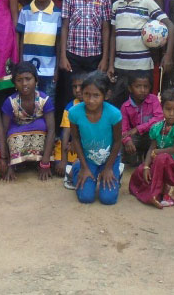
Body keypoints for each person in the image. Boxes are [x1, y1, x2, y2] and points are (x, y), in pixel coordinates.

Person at [107, 0, 174, 105]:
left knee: (142, 106)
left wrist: (167, 55)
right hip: (121, 66)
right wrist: (111, 64)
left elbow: (171, 26)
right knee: (119, 105)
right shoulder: (116, 6)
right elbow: (113, 35)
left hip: (142, 67)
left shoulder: (147, 4)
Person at [129, 88, 174, 208]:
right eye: (168, 109)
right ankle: (157, 189)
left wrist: (157, 152)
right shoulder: (158, 127)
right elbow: (151, 148)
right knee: (140, 171)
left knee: (162, 158)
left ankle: (154, 194)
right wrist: (146, 166)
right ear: (162, 108)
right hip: (163, 162)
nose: (171, 113)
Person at [58, 0, 112, 106]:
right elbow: (65, 26)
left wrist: (105, 58)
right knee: (70, 93)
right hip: (73, 55)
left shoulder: (105, 0)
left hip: (95, 56)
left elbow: (106, 29)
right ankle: (68, 126)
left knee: (93, 91)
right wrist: (63, 55)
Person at [68, 72, 123, 204]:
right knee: (86, 197)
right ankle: (75, 169)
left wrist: (109, 168)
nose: (90, 100)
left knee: (108, 199)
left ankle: (116, 170)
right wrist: (84, 167)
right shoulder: (74, 112)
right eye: (87, 94)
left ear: (106, 95)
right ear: (81, 93)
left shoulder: (114, 114)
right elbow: (75, 138)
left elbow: (117, 142)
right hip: (88, 160)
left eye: (96, 95)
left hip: (109, 159)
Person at [1, 62, 56, 181]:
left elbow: (52, 130)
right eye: (19, 80)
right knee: (11, 134)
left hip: (38, 134)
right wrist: (8, 163)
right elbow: (3, 131)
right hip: (18, 134)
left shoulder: (44, 100)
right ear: (14, 83)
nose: (24, 83)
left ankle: (38, 161)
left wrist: (45, 163)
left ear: (36, 81)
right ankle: (18, 163)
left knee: (42, 126)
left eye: (28, 79)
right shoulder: (10, 102)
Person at [16, 0, 63, 98]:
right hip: (28, 68)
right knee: (27, 99)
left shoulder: (58, 14)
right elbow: (21, 39)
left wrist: (56, 69)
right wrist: (21, 62)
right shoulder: (25, 11)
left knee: (47, 102)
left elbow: (58, 42)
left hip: (49, 69)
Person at [119, 71, 164, 167]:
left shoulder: (153, 100)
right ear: (130, 88)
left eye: (146, 86)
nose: (142, 90)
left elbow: (159, 118)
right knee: (125, 147)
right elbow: (124, 129)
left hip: (152, 135)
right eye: (138, 86)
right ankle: (135, 159)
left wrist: (138, 128)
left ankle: (150, 160)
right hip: (136, 138)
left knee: (159, 145)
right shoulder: (125, 106)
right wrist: (127, 141)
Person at [54, 72, 86, 184]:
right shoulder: (70, 106)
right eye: (74, 87)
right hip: (71, 145)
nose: (77, 90)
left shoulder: (94, 105)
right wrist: (63, 160)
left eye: (81, 86)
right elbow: (66, 132)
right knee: (58, 165)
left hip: (87, 145)